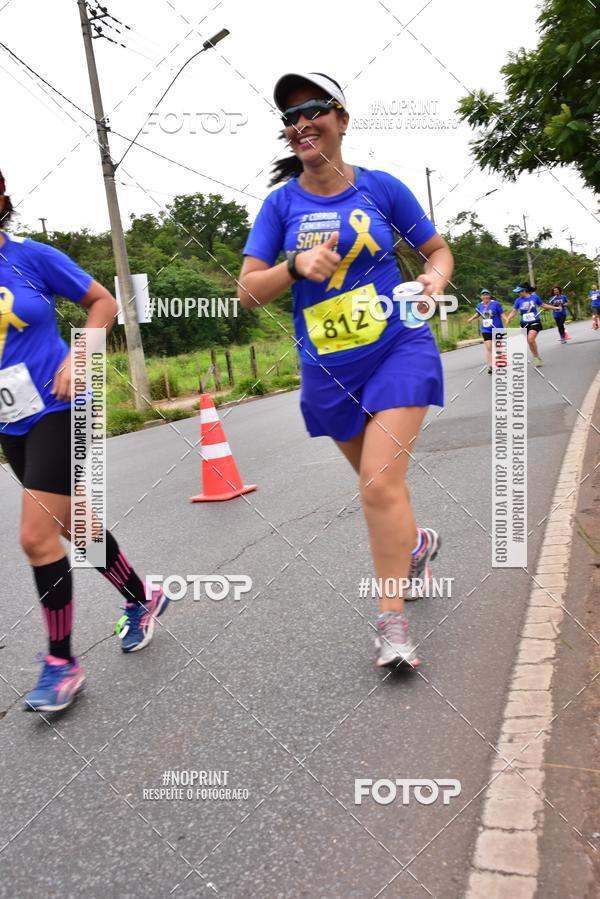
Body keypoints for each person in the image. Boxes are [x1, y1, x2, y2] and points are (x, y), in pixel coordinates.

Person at [238, 73, 454, 669]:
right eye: (289, 116)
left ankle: (391, 622)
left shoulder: (382, 189)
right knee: (381, 486)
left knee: (379, 485)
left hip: (397, 346)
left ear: (341, 118)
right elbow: (248, 293)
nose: (301, 123)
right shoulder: (280, 205)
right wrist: (294, 265)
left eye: (312, 109)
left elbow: (437, 250)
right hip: (328, 369)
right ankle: (415, 545)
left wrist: (433, 281)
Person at [0, 170, 169, 714]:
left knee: (35, 537)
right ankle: (142, 600)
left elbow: (102, 303)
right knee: (77, 527)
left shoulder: (30, 257)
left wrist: (80, 355)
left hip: (60, 407)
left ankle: (61, 663)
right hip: (12, 422)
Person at [504, 283, 555, 366]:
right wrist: (509, 318)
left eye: (519, 292)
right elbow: (514, 311)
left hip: (535, 322)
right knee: (530, 341)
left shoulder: (535, 297)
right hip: (524, 323)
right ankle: (536, 356)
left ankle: (536, 358)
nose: (518, 294)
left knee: (530, 339)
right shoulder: (518, 300)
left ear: (524, 291)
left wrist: (555, 308)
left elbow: (543, 305)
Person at [466, 289, 504, 372]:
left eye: (487, 295)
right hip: (486, 329)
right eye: (483, 295)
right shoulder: (480, 305)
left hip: (497, 328)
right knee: (489, 347)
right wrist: (471, 319)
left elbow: (501, 313)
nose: (485, 296)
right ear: (481, 297)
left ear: (489, 296)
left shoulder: (496, 304)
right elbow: (478, 313)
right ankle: (490, 366)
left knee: (498, 346)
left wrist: (507, 319)